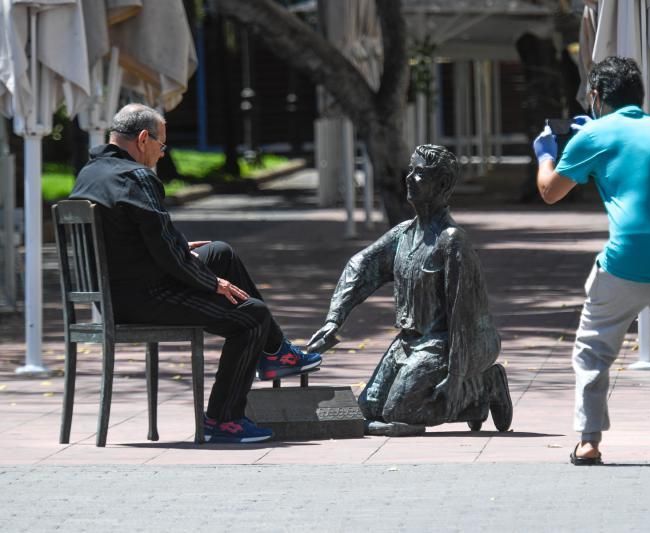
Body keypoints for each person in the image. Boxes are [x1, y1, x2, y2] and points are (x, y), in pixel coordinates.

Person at [69, 103, 322, 444]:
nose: (161, 154)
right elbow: (166, 254)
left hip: (116, 292)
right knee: (252, 317)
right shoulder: (137, 178)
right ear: (144, 139)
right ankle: (223, 420)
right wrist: (212, 283)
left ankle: (277, 352)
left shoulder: (90, 173)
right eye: (161, 146)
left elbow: (145, 240)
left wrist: (184, 250)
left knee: (219, 252)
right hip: (143, 297)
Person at [533, 57, 650, 469]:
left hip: (628, 261)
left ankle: (588, 442)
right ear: (640, 96)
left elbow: (549, 192)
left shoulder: (592, 135)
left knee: (593, 350)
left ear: (595, 97)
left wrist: (546, 152)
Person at [307, 144, 512, 436]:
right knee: (368, 409)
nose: (409, 178)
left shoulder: (451, 241)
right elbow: (360, 267)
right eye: (410, 171)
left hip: (450, 343)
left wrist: (455, 375)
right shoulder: (403, 233)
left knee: (399, 415)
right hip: (409, 341)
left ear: (441, 184)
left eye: (420, 173)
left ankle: (483, 385)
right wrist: (333, 320)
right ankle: (473, 400)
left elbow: (463, 315)